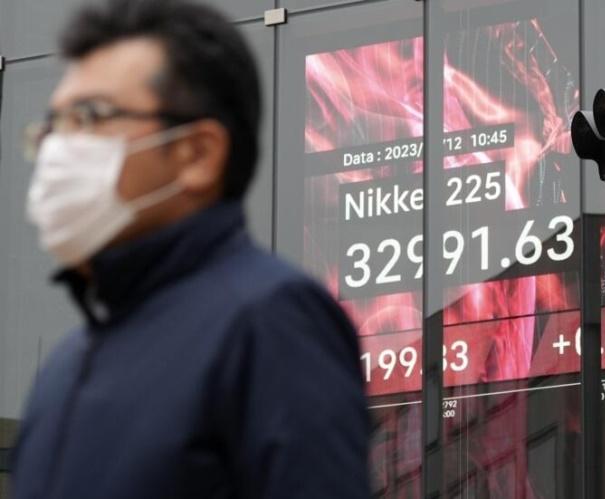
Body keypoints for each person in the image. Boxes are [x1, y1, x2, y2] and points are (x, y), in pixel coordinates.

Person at [10, 0, 370, 497]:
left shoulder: (270, 324)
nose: (57, 151)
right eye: (52, 127)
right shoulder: (65, 367)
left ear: (197, 154)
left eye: (88, 117)